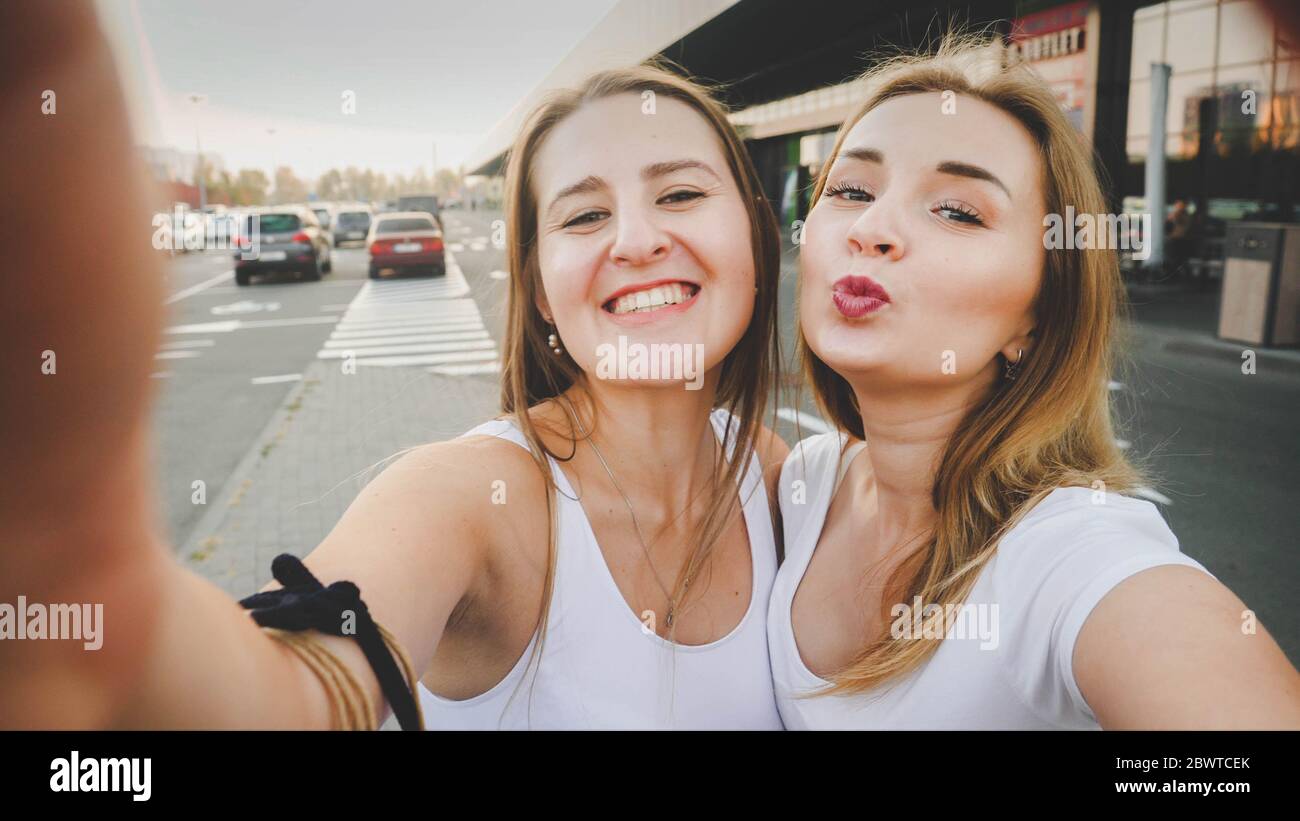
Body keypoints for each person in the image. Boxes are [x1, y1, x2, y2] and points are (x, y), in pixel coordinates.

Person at [0, 3, 788, 730]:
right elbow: (302, 692)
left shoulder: (781, 478)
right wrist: (87, 588)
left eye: (681, 193)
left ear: (754, 239)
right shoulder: (474, 499)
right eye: (585, 214)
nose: (637, 240)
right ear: (541, 291)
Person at [769, 34, 1300, 729]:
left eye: (957, 210)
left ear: (1038, 318)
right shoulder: (805, 482)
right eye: (851, 190)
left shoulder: (1075, 555)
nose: (872, 226)